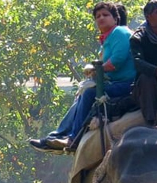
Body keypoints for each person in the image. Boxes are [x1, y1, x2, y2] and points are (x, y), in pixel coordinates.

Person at [29, 2, 135, 153]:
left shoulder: (120, 32)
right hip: (114, 81)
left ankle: (73, 139)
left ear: (115, 19)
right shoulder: (106, 39)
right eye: (98, 16)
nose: (101, 18)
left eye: (105, 15)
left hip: (126, 84)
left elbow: (117, 61)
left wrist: (97, 70)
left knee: (89, 93)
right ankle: (59, 135)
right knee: (81, 95)